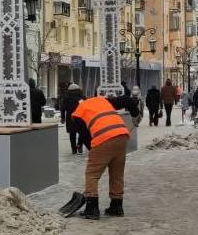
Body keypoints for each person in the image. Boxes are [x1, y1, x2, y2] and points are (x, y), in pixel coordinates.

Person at [70, 87, 142, 220]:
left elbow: (86, 138)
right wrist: (136, 114)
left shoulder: (77, 113)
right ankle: (116, 206)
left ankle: (92, 209)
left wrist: (96, 156)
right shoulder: (101, 100)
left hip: (104, 137)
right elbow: (126, 99)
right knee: (116, 173)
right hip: (121, 135)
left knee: (92, 174)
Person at [60, 83, 86, 154]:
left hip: (70, 117)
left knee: (72, 133)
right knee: (82, 132)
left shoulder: (66, 97)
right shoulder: (82, 97)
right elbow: (86, 106)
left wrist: (62, 118)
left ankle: (74, 149)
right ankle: (79, 144)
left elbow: (63, 108)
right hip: (80, 116)